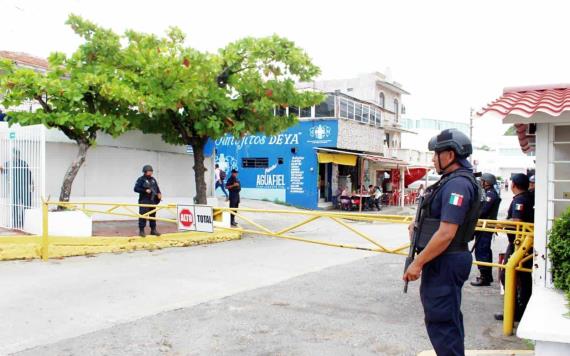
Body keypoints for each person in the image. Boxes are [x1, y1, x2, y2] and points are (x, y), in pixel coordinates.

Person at [403, 128, 482, 356]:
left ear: (449, 155)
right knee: (448, 318)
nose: (433, 159)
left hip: (445, 260)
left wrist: (417, 263)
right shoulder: (453, 181)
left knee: (441, 320)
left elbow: (447, 233)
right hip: (446, 259)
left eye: (435, 154)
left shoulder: (457, 185)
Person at [495, 173, 534, 321]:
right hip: (525, 244)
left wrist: (502, 223)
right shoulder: (529, 197)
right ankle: (520, 310)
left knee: (509, 276)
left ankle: (515, 311)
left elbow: (517, 221)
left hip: (519, 245)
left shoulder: (520, 200)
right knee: (523, 278)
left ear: (513, 185)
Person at [471, 173, 501, 286]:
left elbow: (483, 211)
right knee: (483, 251)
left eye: (482, 181)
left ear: (486, 182)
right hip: (483, 227)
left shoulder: (490, 195)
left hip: (486, 227)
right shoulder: (488, 193)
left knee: (482, 251)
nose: (480, 182)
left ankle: (485, 277)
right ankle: (486, 276)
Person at [0, 149, 34, 228]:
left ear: (18, 155)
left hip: (24, 188)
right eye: (13, 154)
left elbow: (29, 174)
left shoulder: (23, 163)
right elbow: (2, 171)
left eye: (16, 154)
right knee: (14, 205)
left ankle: (23, 222)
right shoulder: (8, 164)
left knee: (26, 205)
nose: (14, 156)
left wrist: (32, 185)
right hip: (14, 188)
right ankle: (15, 223)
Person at [134, 165, 162, 237]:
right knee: (143, 215)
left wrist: (159, 194)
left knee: (152, 216)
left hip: (152, 201)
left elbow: (157, 188)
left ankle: (153, 230)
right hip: (144, 200)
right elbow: (136, 189)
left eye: (151, 171)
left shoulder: (153, 179)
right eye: (149, 171)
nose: (150, 172)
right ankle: (142, 231)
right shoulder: (141, 179)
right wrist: (145, 190)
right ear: (145, 172)